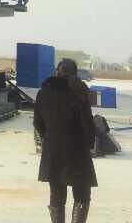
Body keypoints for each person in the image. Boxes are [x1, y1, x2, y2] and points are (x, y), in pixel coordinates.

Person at [33, 58, 97, 223]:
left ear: (57, 72)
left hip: (53, 150)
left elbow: (38, 123)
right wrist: (90, 143)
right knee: (82, 194)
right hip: (78, 151)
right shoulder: (79, 93)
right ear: (75, 74)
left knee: (57, 194)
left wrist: (49, 138)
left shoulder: (43, 93)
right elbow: (87, 123)